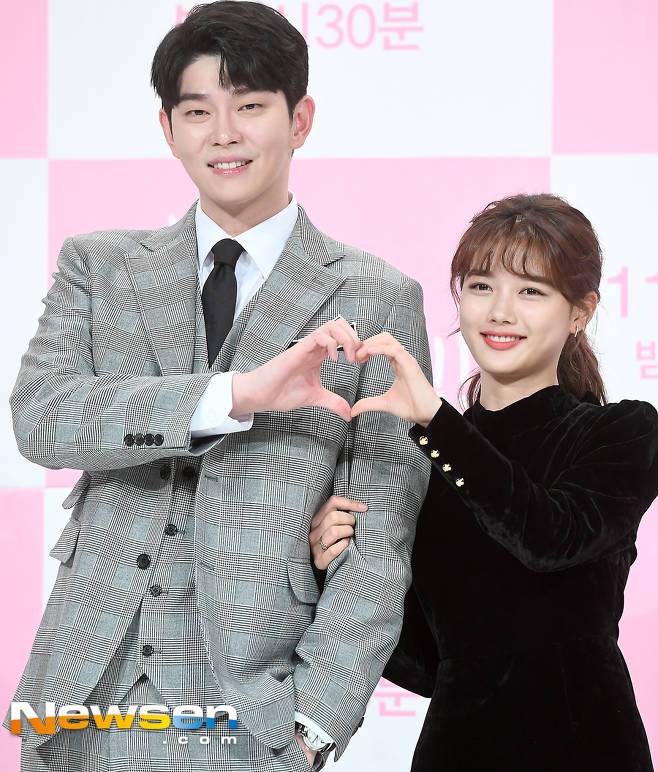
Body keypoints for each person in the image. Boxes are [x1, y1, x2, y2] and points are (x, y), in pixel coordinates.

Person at [2, 3, 432, 770]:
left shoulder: (377, 297)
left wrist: (313, 729)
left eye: (251, 107)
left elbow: (379, 537)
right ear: (169, 130)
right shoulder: (100, 266)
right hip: (81, 696)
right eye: (198, 111)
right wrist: (234, 394)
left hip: (252, 714)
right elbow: (43, 418)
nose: (224, 134)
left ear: (300, 121)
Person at [309, 193, 658, 771]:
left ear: (581, 311)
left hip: (586, 746)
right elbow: (431, 663)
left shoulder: (622, 432)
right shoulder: (427, 460)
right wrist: (336, 570)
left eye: (531, 291)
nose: (500, 311)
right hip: (459, 749)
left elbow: (550, 538)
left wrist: (434, 421)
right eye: (480, 286)